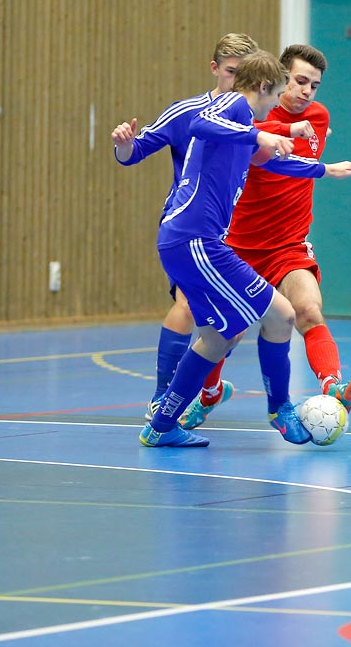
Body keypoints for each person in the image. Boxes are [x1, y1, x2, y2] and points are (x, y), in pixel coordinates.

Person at [140, 50, 351, 448]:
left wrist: (323, 168)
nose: (296, 95)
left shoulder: (252, 119)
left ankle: (161, 424)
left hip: (196, 241)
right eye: (284, 88)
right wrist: (258, 133)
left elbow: (273, 162)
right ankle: (279, 410)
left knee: (219, 336)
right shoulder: (233, 108)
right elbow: (200, 121)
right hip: (200, 242)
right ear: (267, 87)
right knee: (279, 315)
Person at [112, 33, 263, 419]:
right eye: (231, 73)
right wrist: (124, 144)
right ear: (215, 70)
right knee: (189, 305)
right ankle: (162, 399)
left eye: (245, 75)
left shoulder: (253, 117)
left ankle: (207, 389)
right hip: (188, 226)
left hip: (227, 230)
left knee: (235, 322)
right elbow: (135, 153)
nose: (237, 82)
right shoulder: (189, 112)